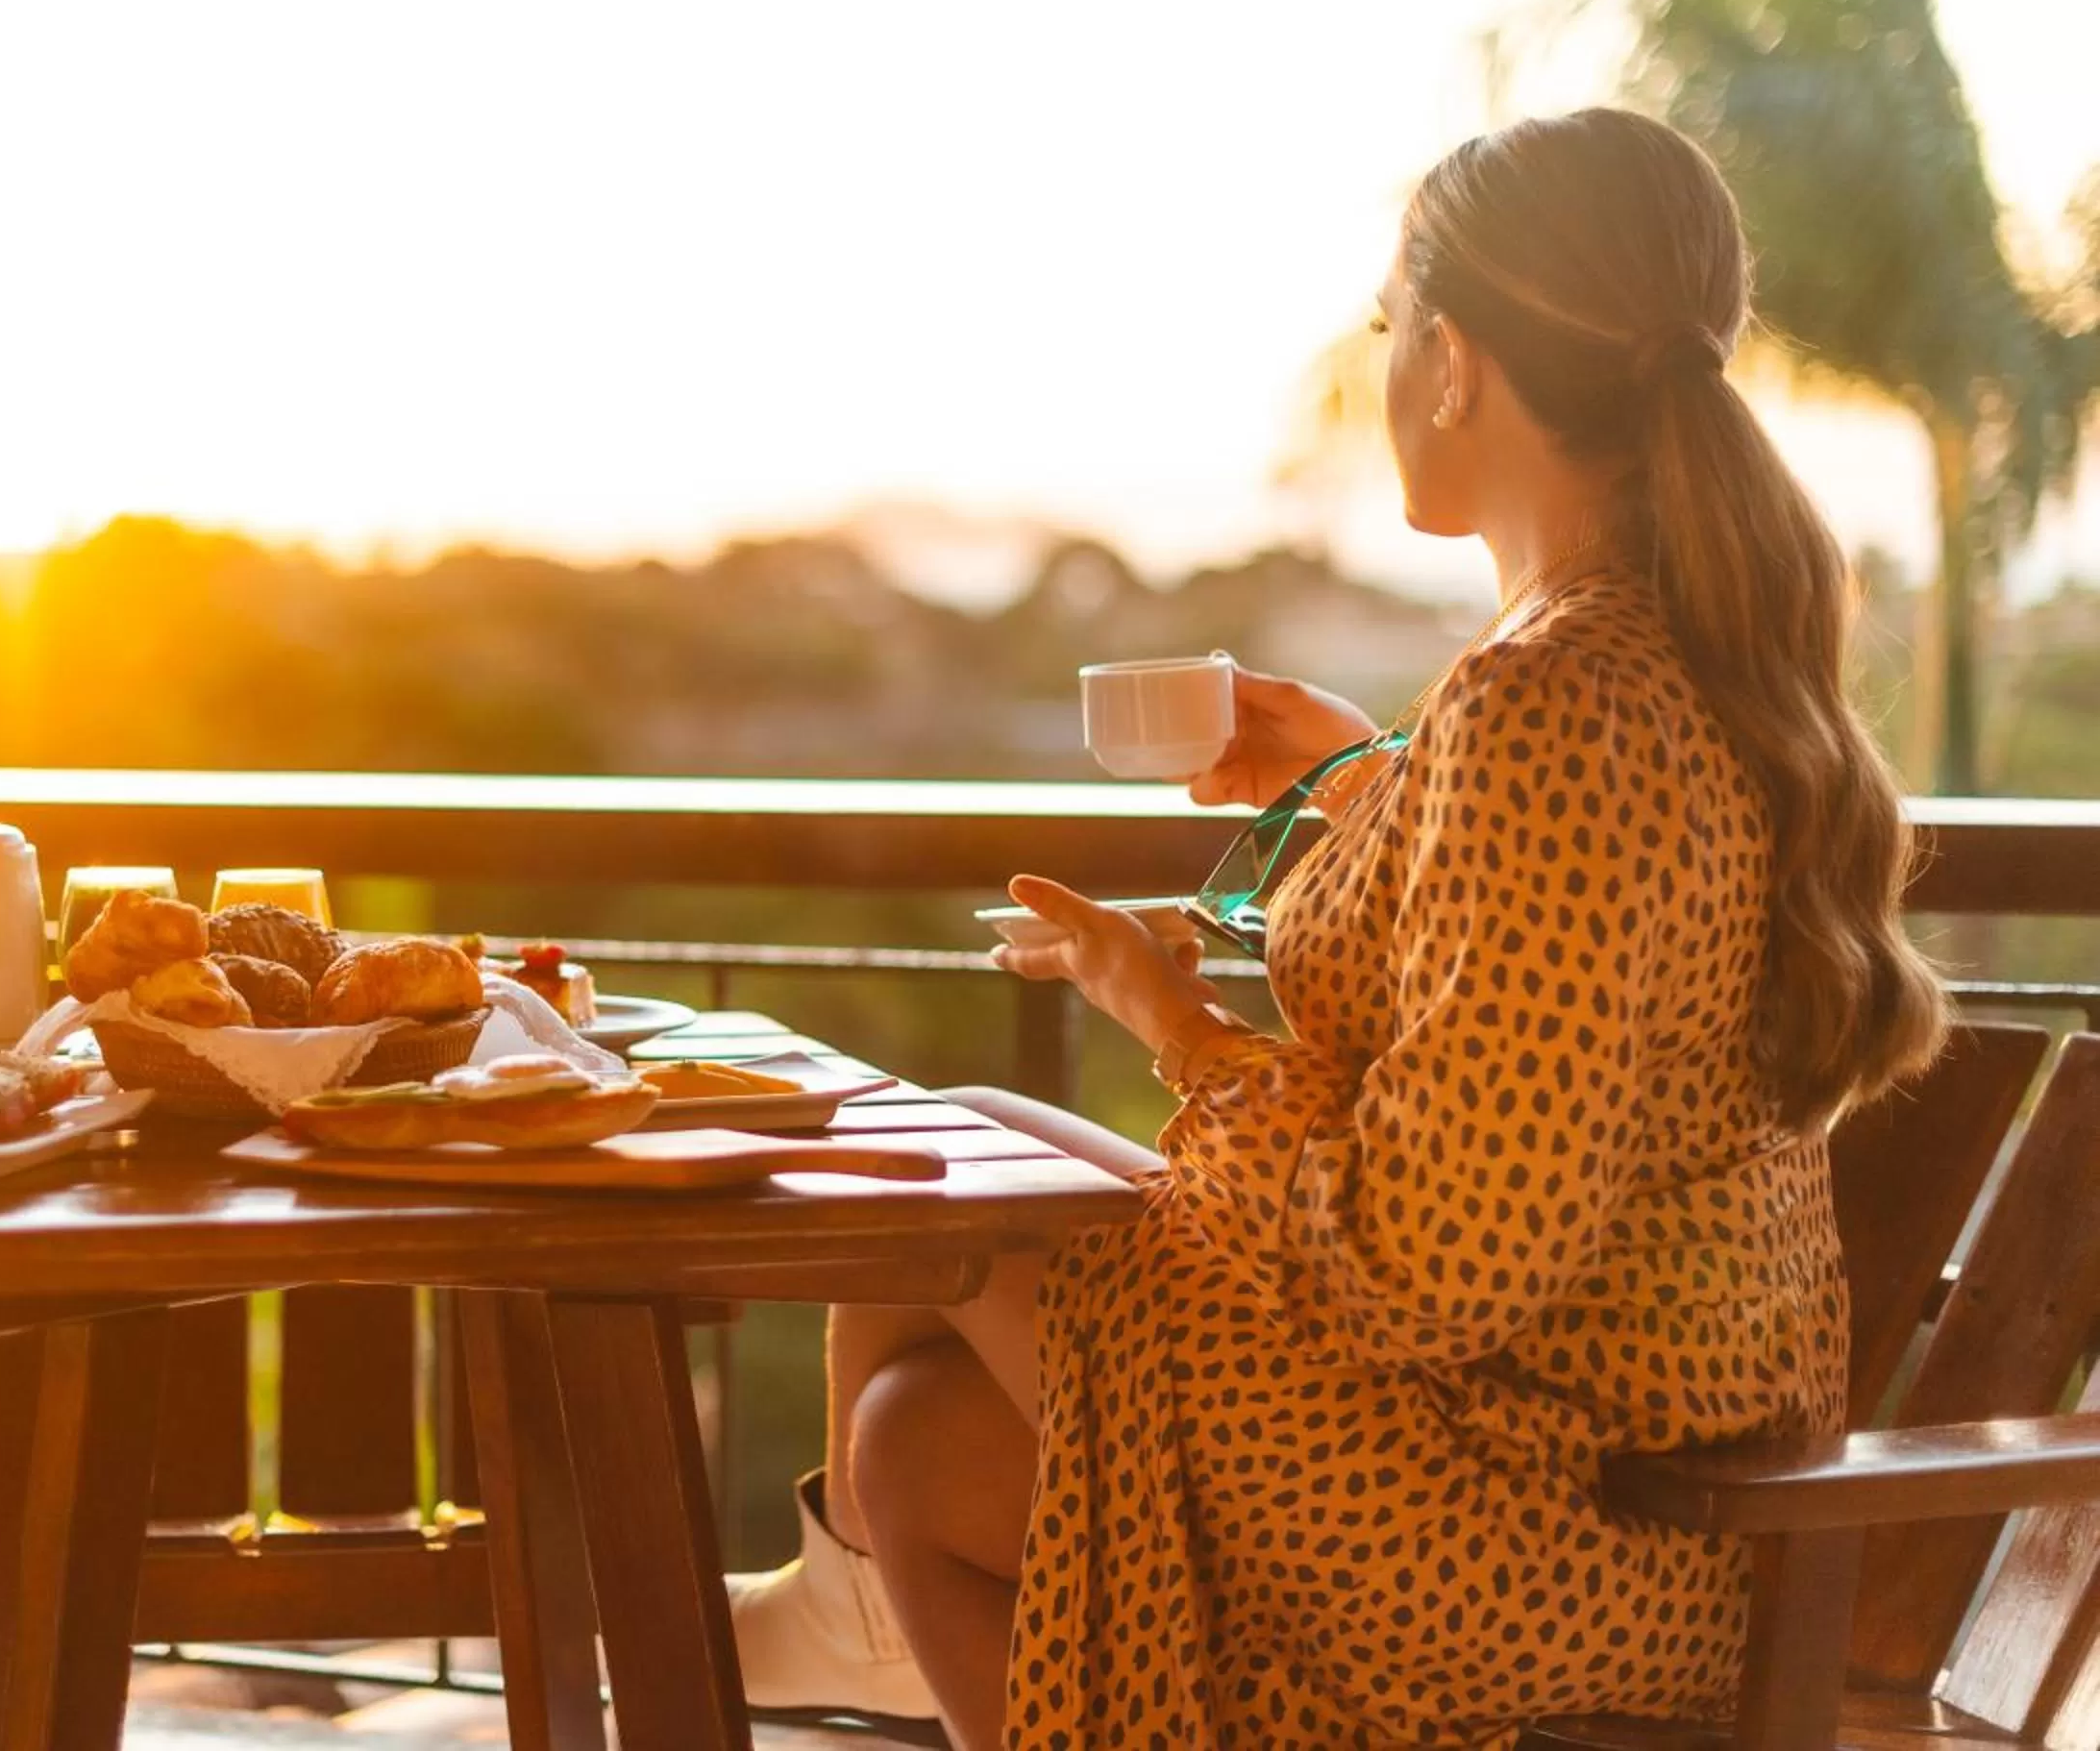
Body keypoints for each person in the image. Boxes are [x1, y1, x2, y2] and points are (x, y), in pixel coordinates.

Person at [727, 107, 1947, 1748]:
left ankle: (849, 1610)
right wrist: (1383, 780)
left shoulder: (1552, 699)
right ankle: (856, 1606)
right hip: (1614, 1481)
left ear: (1453, 365)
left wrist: (1178, 1025)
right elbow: (1561, 960)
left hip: (1564, 1527)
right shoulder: (1649, 661)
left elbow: (1439, 1265)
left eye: (1390, 333)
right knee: (948, 1230)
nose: (1384, 375)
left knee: (933, 1310)